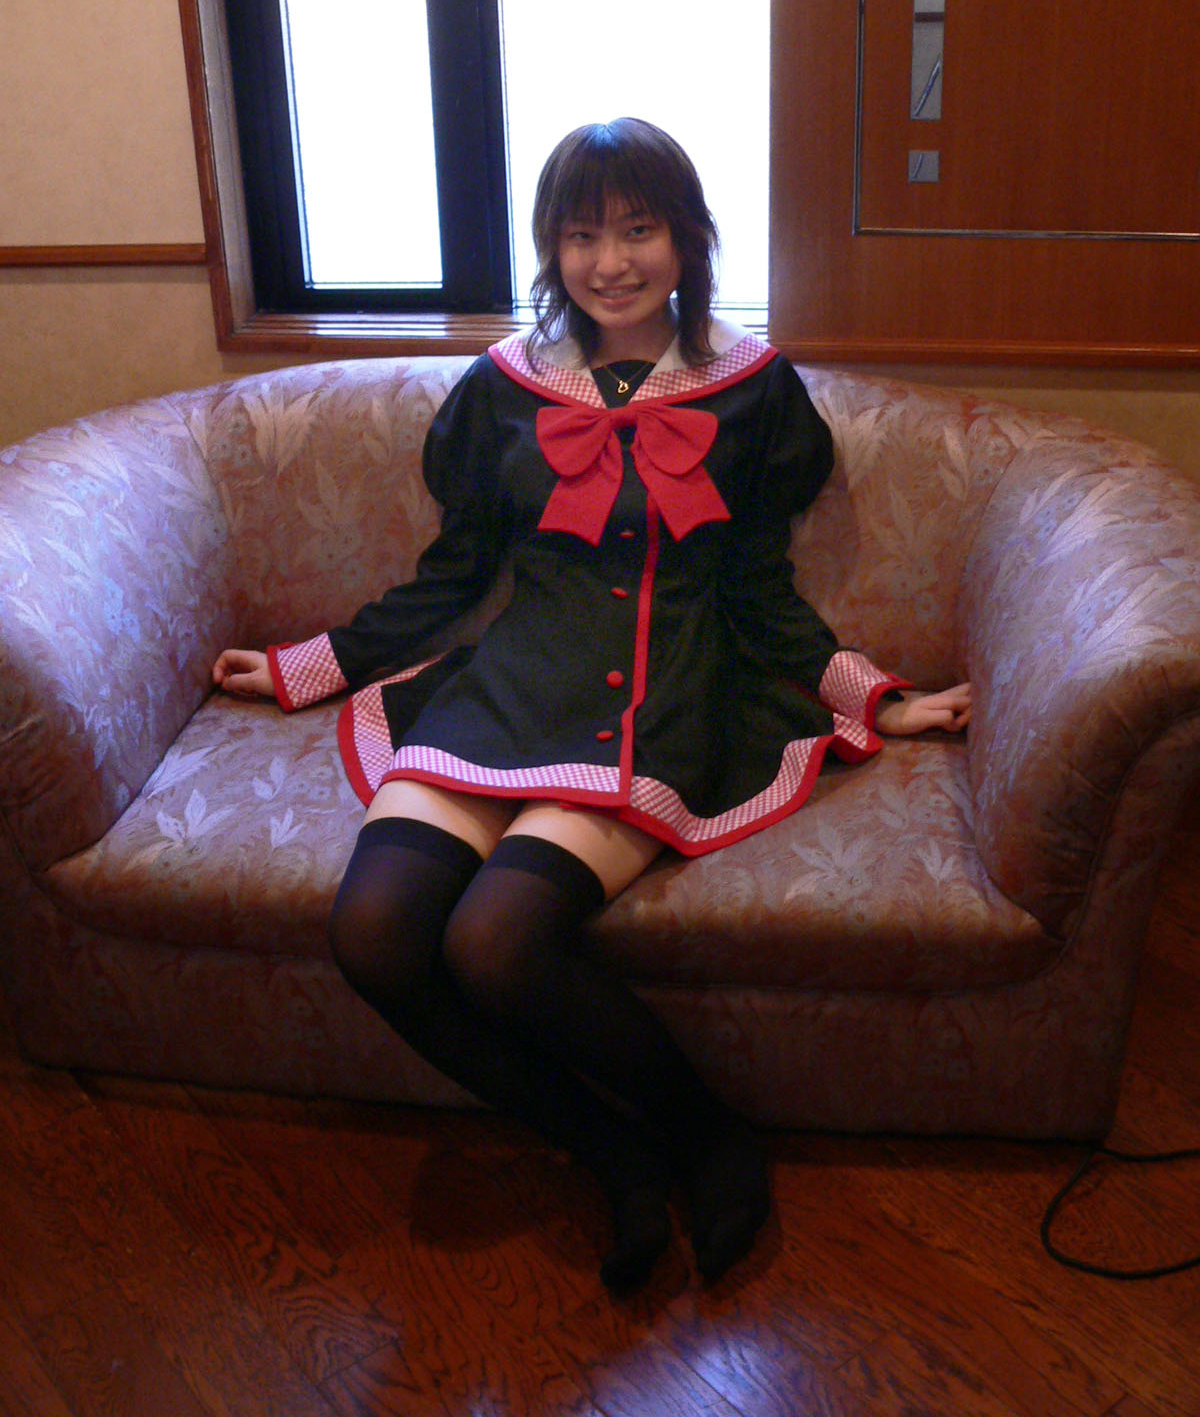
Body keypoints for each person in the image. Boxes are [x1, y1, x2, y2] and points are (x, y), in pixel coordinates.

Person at [213, 117, 971, 1292]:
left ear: (686, 239)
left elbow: (759, 591)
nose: (610, 261)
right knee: (375, 933)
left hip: (661, 697)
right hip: (510, 689)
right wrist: (310, 664)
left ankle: (711, 1136)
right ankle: (610, 1150)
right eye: (580, 236)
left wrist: (873, 696)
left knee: (497, 942)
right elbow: (455, 576)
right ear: (551, 249)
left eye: (637, 229)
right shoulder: (504, 389)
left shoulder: (753, 390)